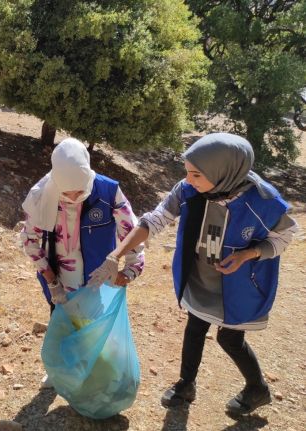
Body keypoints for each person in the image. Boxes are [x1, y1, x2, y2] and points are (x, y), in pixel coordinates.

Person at [88, 133, 298, 416]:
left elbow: (286, 235)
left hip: (237, 286)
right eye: (186, 172)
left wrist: (248, 254)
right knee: (195, 327)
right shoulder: (189, 191)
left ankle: (257, 388)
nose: (188, 180)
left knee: (230, 339)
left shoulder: (261, 201)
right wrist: (117, 254)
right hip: (200, 277)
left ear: (222, 172)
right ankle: (186, 385)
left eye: (196, 174)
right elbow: (155, 219)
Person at [20, 138, 145, 388]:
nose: (74, 196)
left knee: (95, 328)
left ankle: (96, 374)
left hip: (96, 279)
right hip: (59, 280)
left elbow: (132, 232)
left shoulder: (108, 191)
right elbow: (30, 240)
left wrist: (131, 269)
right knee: (61, 322)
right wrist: (51, 280)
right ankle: (60, 372)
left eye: (80, 190)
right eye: (67, 193)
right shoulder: (40, 195)